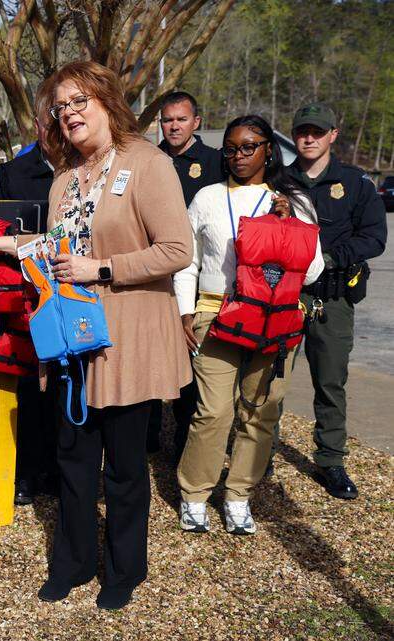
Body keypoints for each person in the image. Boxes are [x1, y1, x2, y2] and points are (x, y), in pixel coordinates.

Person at [0, 60, 192, 610]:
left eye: (77, 102)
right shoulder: (64, 179)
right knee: (73, 459)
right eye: (60, 108)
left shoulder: (148, 163)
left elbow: (178, 251)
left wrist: (101, 269)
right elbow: (53, 249)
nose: (68, 115)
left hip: (128, 340)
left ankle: (124, 569)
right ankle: (75, 561)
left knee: (127, 467)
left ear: (107, 100)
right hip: (74, 339)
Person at [174, 115, 324, 536]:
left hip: (274, 319)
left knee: (260, 411)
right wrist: (186, 311)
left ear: (268, 150)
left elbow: (311, 272)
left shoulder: (294, 199)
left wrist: (288, 225)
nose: (238, 156)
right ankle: (195, 494)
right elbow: (188, 262)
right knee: (213, 411)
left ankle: (238, 496)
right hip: (215, 312)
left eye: (248, 147)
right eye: (231, 148)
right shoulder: (206, 197)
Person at [285, 103, 387, 500]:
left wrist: (331, 257)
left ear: (333, 135)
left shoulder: (355, 183)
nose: (308, 138)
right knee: (271, 376)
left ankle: (331, 460)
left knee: (330, 381)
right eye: (302, 132)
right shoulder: (280, 180)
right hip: (288, 294)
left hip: (334, 296)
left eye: (317, 131)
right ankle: (260, 452)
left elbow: (374, 237)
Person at [151, 91, 226, 458]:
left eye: (181, 119)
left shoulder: (215, 162)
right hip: (151, 274)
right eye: (168, 120)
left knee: (191, 358)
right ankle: (148, 435)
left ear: (196, 121)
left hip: (193, 277)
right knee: (148, 353)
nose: (174, 126)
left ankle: (186, 439)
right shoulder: (151, 160)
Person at [0, 116, 57, 505]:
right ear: (36, 126)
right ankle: (28, 473)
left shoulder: (89, 171)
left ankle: (63, 471)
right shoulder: (12, 173)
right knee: (29, 389)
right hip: (24, 299)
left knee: (69, 387)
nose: (57, 129)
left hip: (74, 295)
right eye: (49, 122)